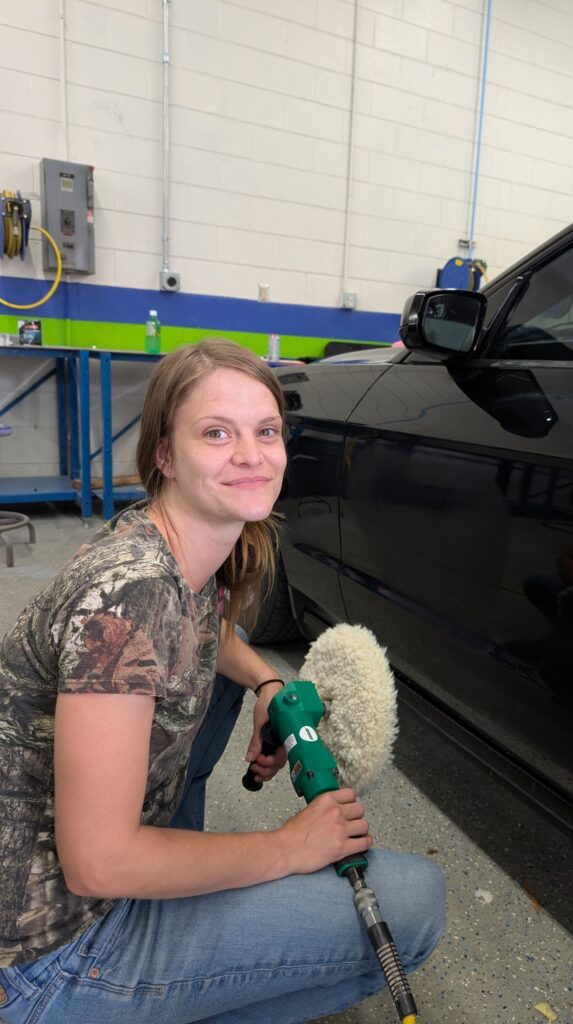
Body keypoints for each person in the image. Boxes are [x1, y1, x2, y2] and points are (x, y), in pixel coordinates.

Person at [0, 339, 445, 1024]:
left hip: (36, 887)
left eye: (265, 431)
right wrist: (285, 848)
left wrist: (269, 682)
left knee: (224, 681)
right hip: (44, 956)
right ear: (164, 455)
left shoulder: (160, 544)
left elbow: (211, 633)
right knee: (415, 902)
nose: (250, 454)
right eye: (216, 433)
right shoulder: (131, 595)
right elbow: (98, 864)